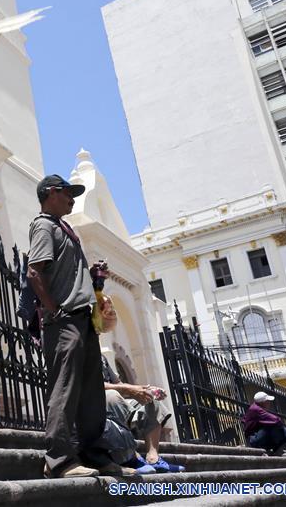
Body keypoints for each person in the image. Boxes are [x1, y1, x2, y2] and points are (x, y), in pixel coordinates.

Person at [27, 174, 133, 478]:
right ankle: (58, 460)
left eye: (74, 194)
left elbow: (66, 276)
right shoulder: (44, 225)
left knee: (91, 394)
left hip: (83, 320)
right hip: (65, 320)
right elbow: (35, 272)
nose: (72, 199)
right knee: (65, 388)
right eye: (66, 193)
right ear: (49, 193)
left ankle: (95, 455)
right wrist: (54, 311)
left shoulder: (66, 229)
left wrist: (92, 274)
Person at [96, 296, 183, 473]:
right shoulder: (81, 350)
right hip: (95, 405)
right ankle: (129, 457)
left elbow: (118, 383)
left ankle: (153, 457)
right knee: (112, 397)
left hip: (113, 403)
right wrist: (129, 389)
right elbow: (93, 386)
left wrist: (144, 390)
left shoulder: (101, 358)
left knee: (150, 399)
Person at [242, 391, 286, 463]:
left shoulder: (255, 408)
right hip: (254, 440)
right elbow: (276, 420)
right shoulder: (256, 409)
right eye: (267, 401)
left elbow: (244, 420)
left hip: (259, 437)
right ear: (262, 402)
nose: (269, 403)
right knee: (275, 427)